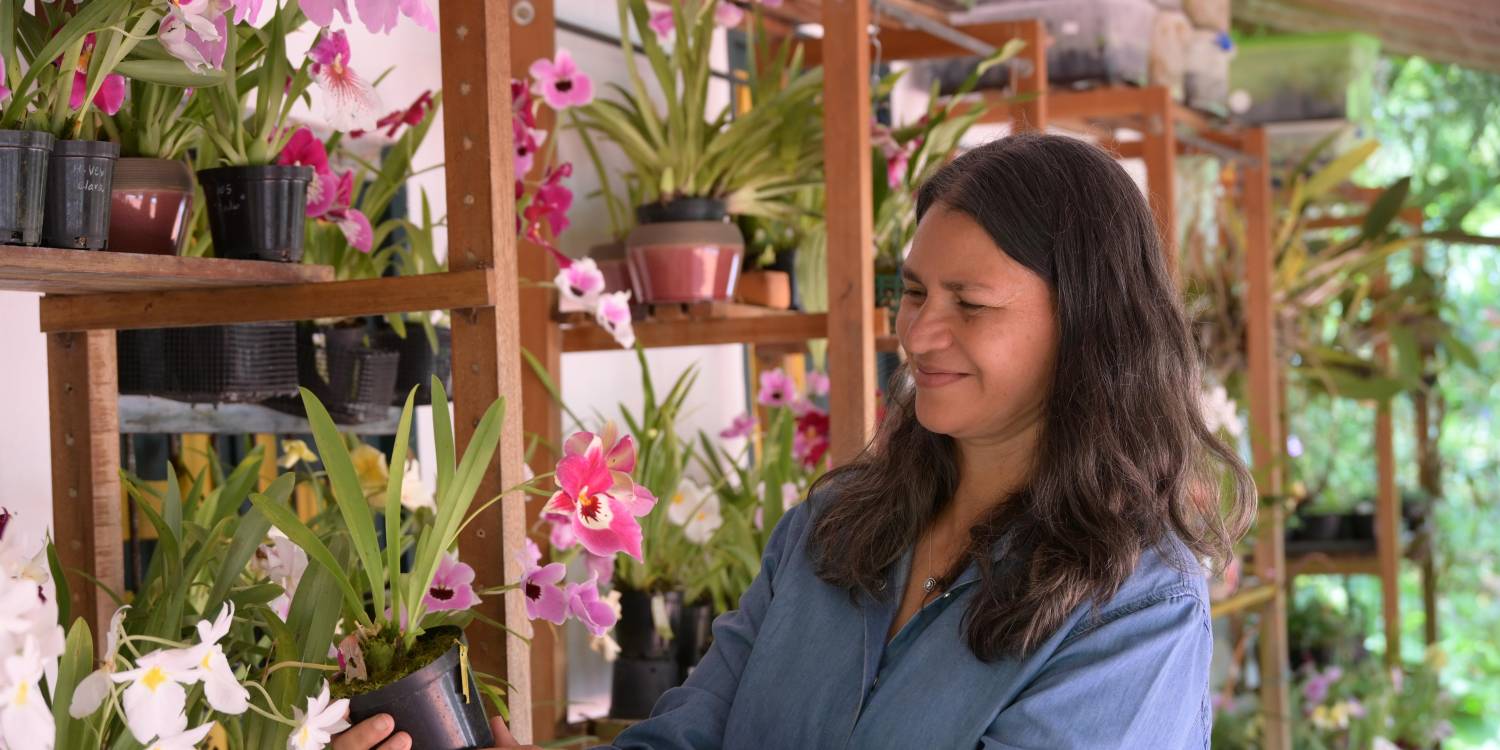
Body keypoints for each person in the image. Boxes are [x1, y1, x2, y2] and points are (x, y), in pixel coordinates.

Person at [336, 132, 1255, 749]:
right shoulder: (831, 531)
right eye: (915, 293)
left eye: (969, 305)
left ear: (1088, 325)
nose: (920, 332)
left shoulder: (1136, 608)